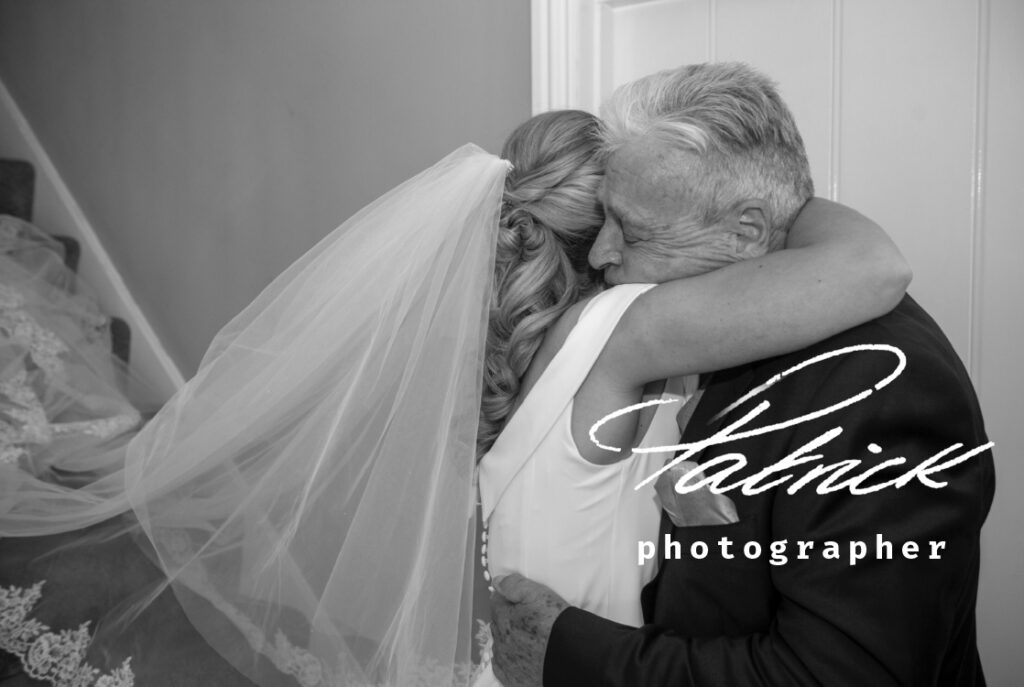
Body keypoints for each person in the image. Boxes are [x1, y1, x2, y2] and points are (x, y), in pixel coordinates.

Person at [1, 104, 905, 687]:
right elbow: (872, 266)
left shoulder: (501, 338)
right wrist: (781, 205)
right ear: (602, 238)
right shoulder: (626, 328)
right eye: (630, 221)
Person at [490, 63, 994, 687]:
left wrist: (568, 651)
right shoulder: (695, 332)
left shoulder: (878, 390)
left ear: (747, 231)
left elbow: (840, 675)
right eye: (602, 220)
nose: (601, 254)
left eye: (634, 230)